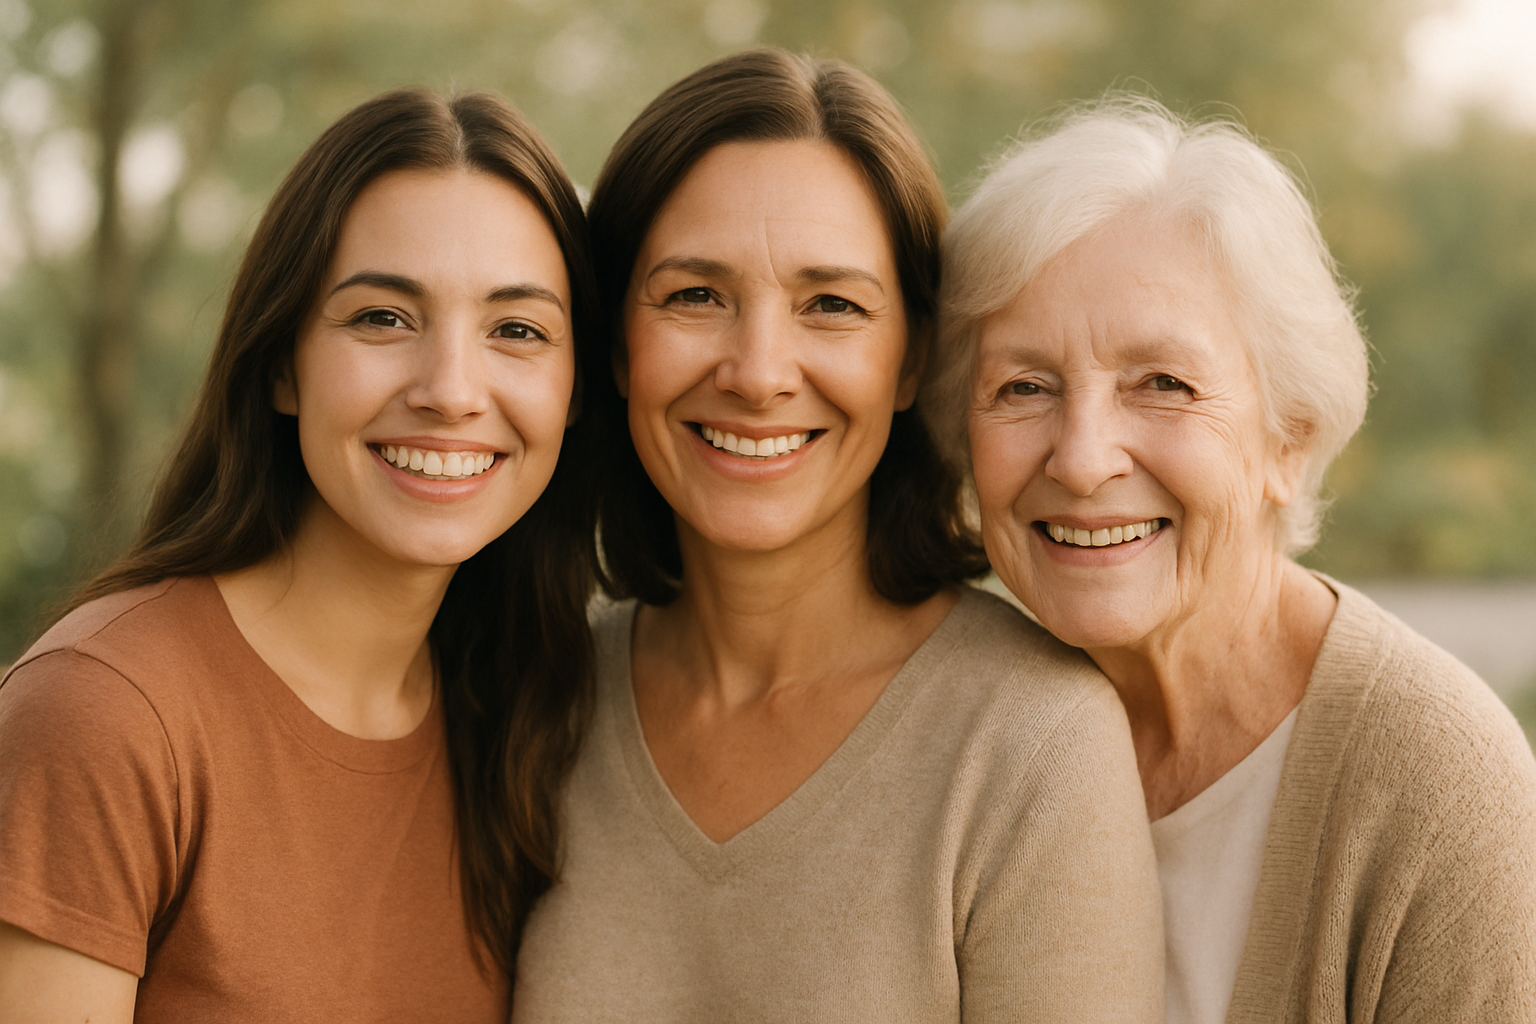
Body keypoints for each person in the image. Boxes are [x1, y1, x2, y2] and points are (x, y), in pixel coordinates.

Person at [511, 49, 1161, 1023]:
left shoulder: (1030, 743)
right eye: (695, 295)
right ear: (615, 347)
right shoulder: (542, 702)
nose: (760, 371)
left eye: (833, 306)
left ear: (911, 361)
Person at [930, 96, 1536, 1024]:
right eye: (1023, 387)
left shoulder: (1441, 787)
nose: (1084, 458)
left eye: (1163, 384)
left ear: (1287, 437)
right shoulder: (946, 732)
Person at [0, 88, 602, 1022]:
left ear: (572, 393)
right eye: (382, 318)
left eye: (516, 331)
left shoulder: (522, 717)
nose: (451, 390)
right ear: (282, 363)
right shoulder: (105, 716)